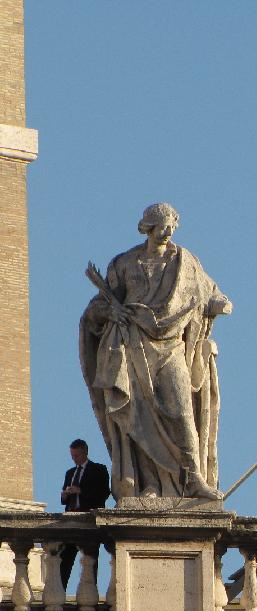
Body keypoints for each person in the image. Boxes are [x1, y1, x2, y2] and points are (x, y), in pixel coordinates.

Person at [80, 203, 231, 500]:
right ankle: (148, 484)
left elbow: (210, 294)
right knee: (138, 417)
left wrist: (219, 305)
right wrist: (111, 312)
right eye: (163, 226)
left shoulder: (186, 262)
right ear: (148, 227)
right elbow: (98, 307)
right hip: (134, 344)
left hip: (171, 346)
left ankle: (193, 479)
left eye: (172, 225)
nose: (169, 231)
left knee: (182, 412)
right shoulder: (125, 263)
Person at [58, 438, 110, 588]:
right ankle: (60, 589)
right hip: (71, 517)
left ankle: (90, 589)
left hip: (88, 518)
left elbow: (104, 493)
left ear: (85, 453)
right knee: (65, 557)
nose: (74, 459)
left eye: (76, 455)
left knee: (90, 557)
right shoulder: (70, 473)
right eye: (72, 456)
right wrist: (65, 495)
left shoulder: (98, 470)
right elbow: (64, 500)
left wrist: (81, 491)